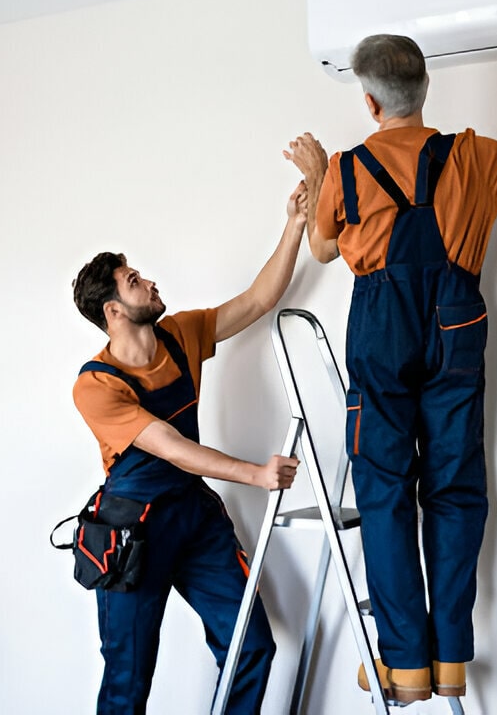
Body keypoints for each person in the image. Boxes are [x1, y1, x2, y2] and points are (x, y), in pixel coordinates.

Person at [283, 3, 497, 703]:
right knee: (454, 487)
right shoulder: (474, 156)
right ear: (425, 89)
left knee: (385, 490)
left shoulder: (347, 171)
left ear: (369, 102)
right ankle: (448, 659)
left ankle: (405, 663)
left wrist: (323, 173)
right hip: (457, 321)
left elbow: (321, 249)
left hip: (380, 327)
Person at [70, 182, 308, 714]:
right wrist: (256, 474)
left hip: (193, 517)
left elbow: (257, 300)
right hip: (132, 533)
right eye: (134, 281)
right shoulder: (96, 384)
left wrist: (294, 224)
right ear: (113, 310)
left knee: (251, 646)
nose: (150, 282)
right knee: (128, 681)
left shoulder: (180, 335)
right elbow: (170, 446)